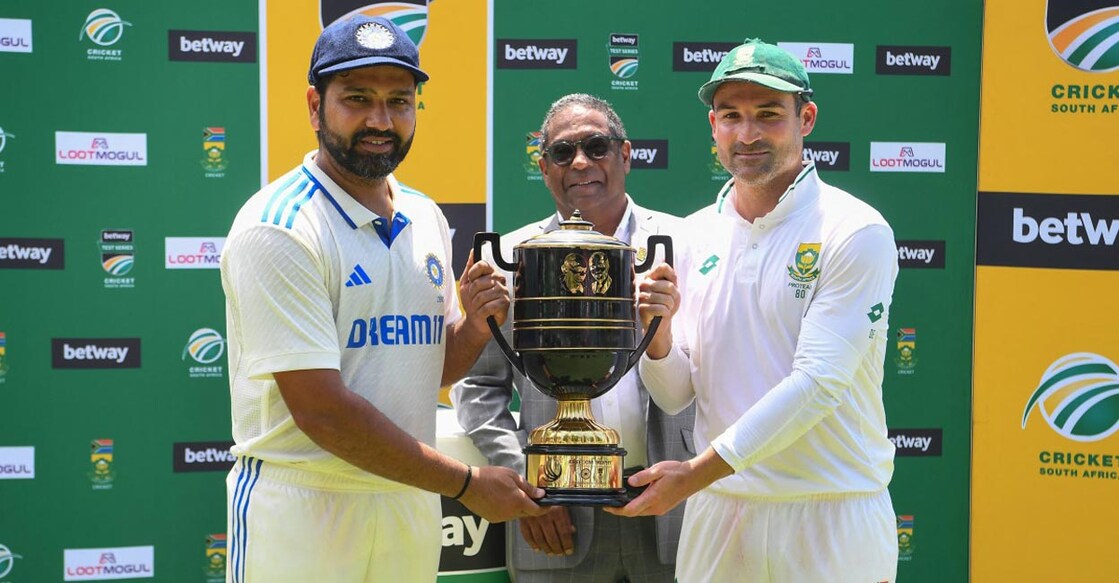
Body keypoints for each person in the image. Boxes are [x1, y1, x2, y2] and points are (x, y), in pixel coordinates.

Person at [219, 15, 545, 583]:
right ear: (314, 106)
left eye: (399, 100)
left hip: (408, 501)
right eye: (357, 99)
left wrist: (473, 327)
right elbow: (323, 411)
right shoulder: (280, 227)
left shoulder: (425, 215)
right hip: (306, 506)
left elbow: (428, 367)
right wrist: (466, 485)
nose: (381, 120)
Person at [608, 39, 901, 583]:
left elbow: (817, 384)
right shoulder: (692, 234)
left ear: (805, 118)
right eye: (731, 116)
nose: (747, 134)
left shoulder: (855, 230)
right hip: (720, 512)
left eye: (768, 115)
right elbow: (676, 395)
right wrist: (659, 336)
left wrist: (694, 473)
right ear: (712, 126)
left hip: (831, 513)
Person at [451, 94, 695, 582]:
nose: (580, 162)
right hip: (557, 522)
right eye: (562, 153)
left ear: (625, 155)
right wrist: (528, 483)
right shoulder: (511, 258)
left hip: (675, 511)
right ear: (544, 168)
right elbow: (476, 388)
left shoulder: (688, 245)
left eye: (596, 147)